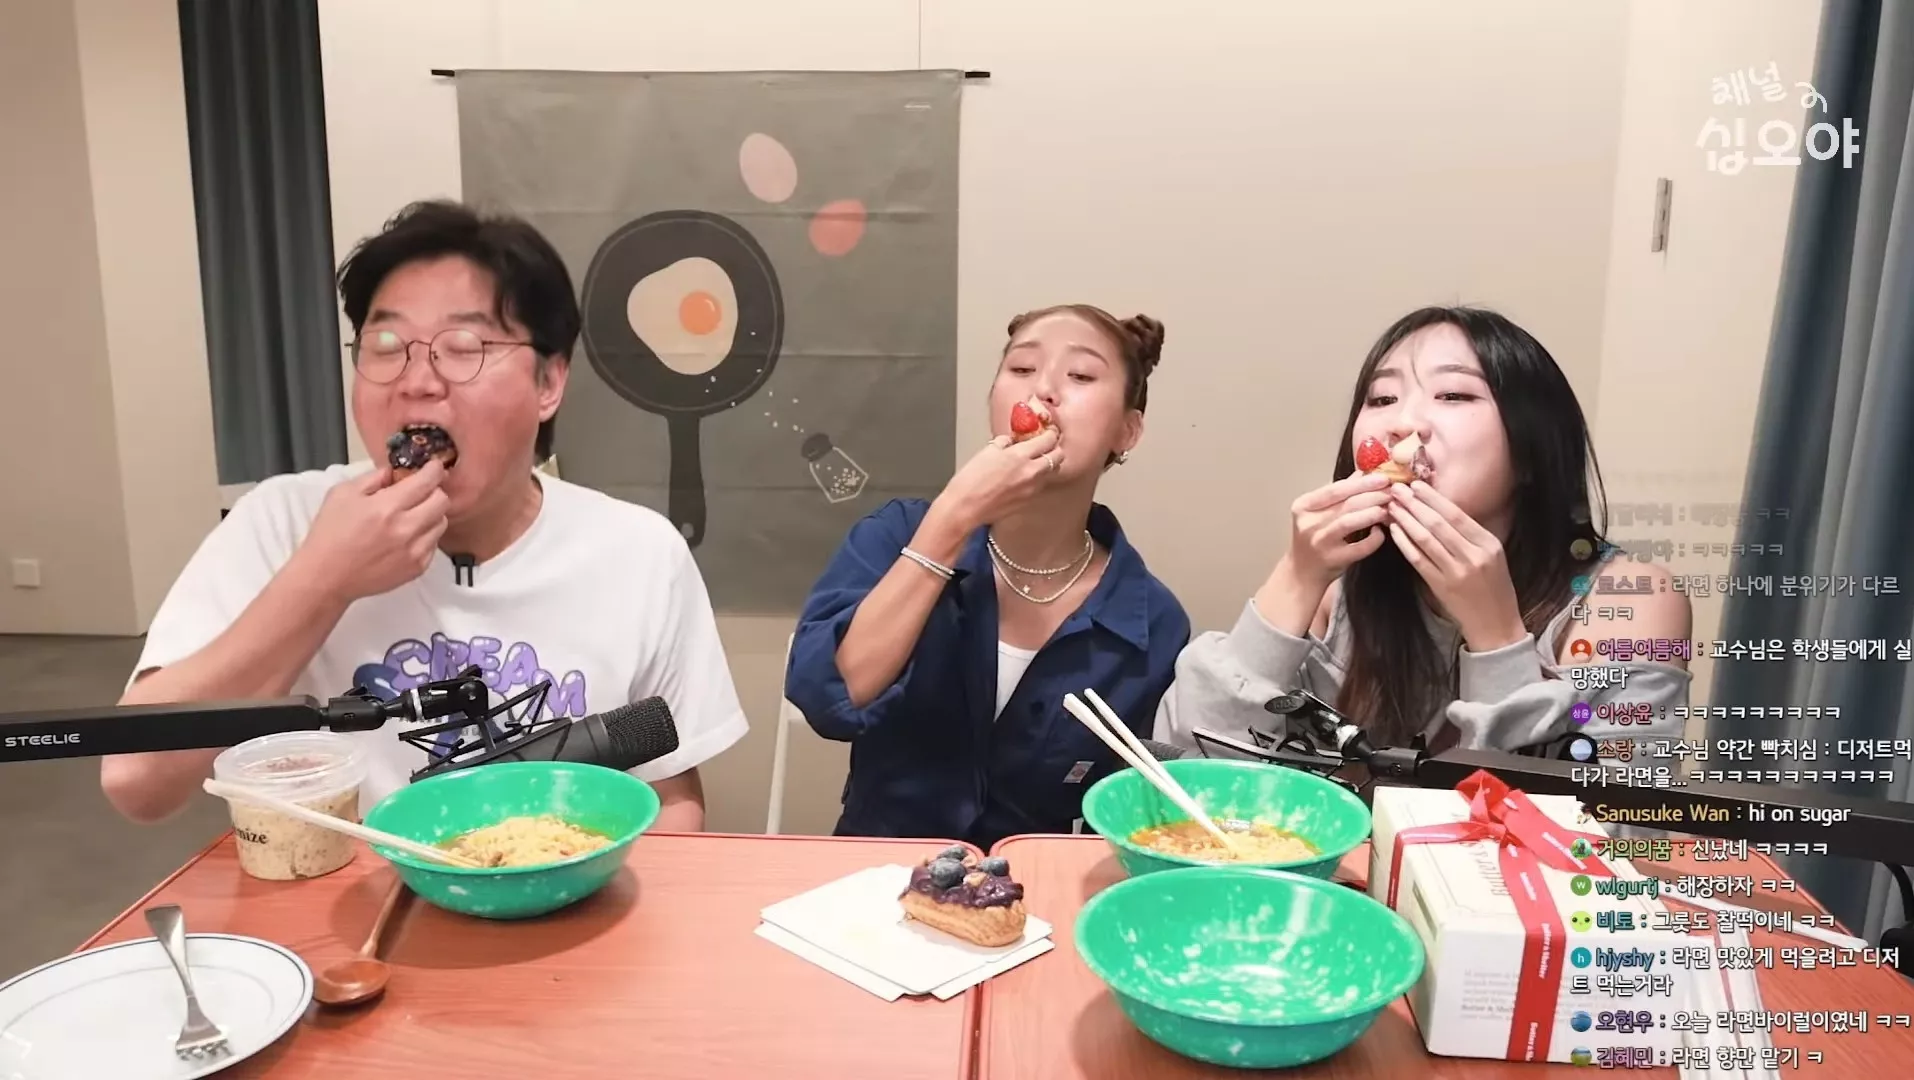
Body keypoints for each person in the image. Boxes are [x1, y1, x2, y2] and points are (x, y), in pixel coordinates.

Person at [100, 201, 748, 828]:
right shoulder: (280, 522)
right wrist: (323, 580)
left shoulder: (639, 553)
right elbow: (136, 782)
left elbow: (671, 799)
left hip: (557, 886)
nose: (417, 380)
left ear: (549, 383)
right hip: (334, 891)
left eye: (463, 346)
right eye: (385, 344)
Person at [1154, 305, 1691, 761]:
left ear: (1532, 447)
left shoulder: (1629, 600)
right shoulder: (1338, 593)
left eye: (1453, 395)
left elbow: (1609, 828)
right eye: (1382, 399)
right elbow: (1188, 772)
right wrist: (1295, 578)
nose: (1402, 423)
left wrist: (1497, 638)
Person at [785, 305, 1190, 848]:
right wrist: (951, 520)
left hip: (1036, 887)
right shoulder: (896, 534)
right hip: (878, 875)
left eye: (1080, 375)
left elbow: (1128, 815)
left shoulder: (1150, 622)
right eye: (1021, 369)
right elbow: (829, 700)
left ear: (1127, 430)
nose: (1043, 390)